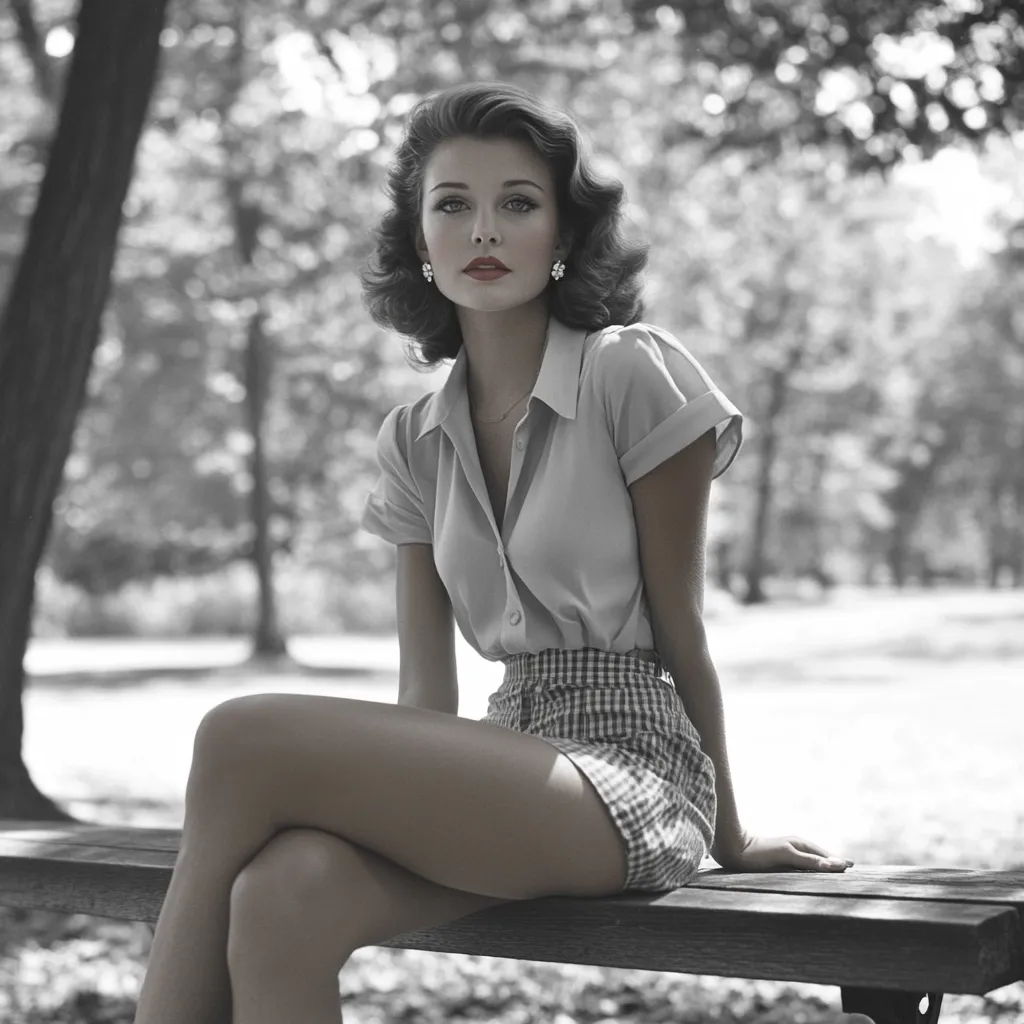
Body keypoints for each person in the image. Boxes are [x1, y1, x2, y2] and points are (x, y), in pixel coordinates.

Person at [133, 82, 858, 1024]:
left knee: (238, 734)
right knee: (285, 890)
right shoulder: (412, 439)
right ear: (420, 241)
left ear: (561, 234)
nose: (483, 231)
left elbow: (684, 627)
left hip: (634, 769)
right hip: (505, 761)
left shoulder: (629, 372)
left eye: (517, 203)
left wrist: (730, 831)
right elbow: (424, 705)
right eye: (453, 205)